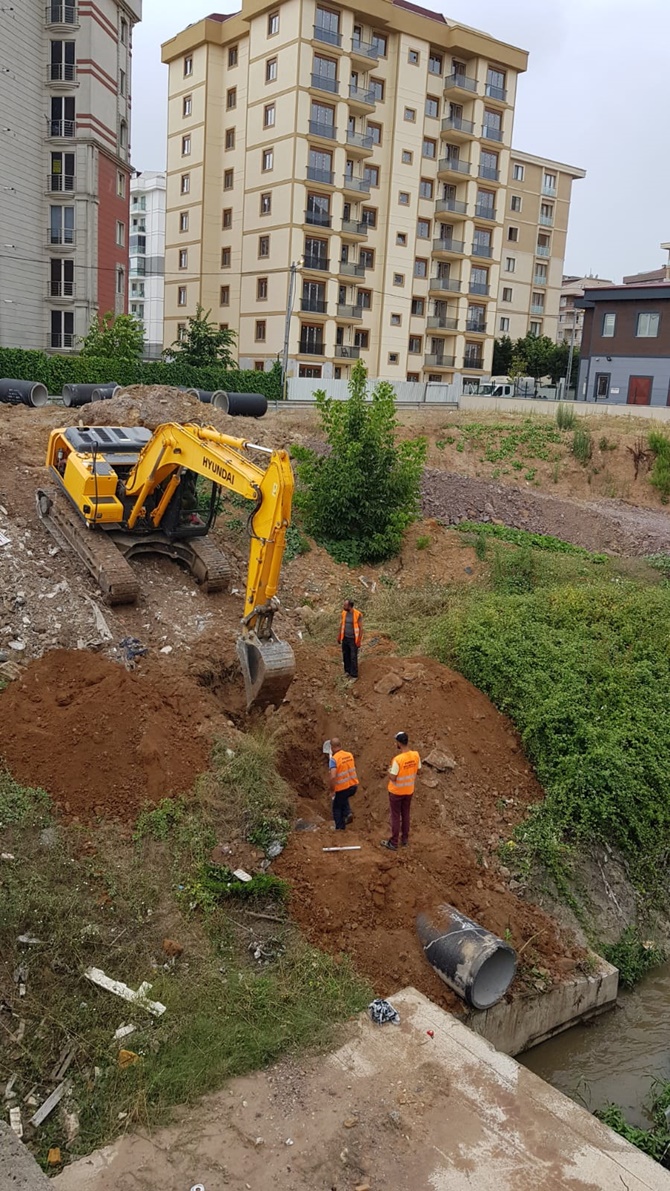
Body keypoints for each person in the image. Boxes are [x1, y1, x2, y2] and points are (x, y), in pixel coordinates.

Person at [381, 731, 421, 851]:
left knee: (395, 816)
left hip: (396, 792)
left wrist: (389, 771)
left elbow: (393, 777)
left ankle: (394, 842)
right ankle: (404, 839)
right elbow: (419, 770)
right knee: (406, 814)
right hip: (409, 791)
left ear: (399, 743)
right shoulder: (415, 755)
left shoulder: (398, 760)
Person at [328, 736, 358, 831]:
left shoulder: (334, 759)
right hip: (353, 786)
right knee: (343, 799)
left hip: (342, 787)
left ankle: (340, 828)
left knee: (336, 807)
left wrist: (332, 790)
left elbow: (333, 776)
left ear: (332, 747)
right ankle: (347, 813)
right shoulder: (349, 755)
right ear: (340, 745)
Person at [338, 599, 363, 679]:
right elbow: (342, 625)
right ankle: (347, 671)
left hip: (353, 639)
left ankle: (354, 675)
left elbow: (361, 628)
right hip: (345, 638)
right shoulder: (344, 613)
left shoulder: (358, 614)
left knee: (353, 657)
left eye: (345, 605)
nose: (343, 606)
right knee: (346, 656)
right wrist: (339, 636)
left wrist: (359, 640)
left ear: (350, 606)